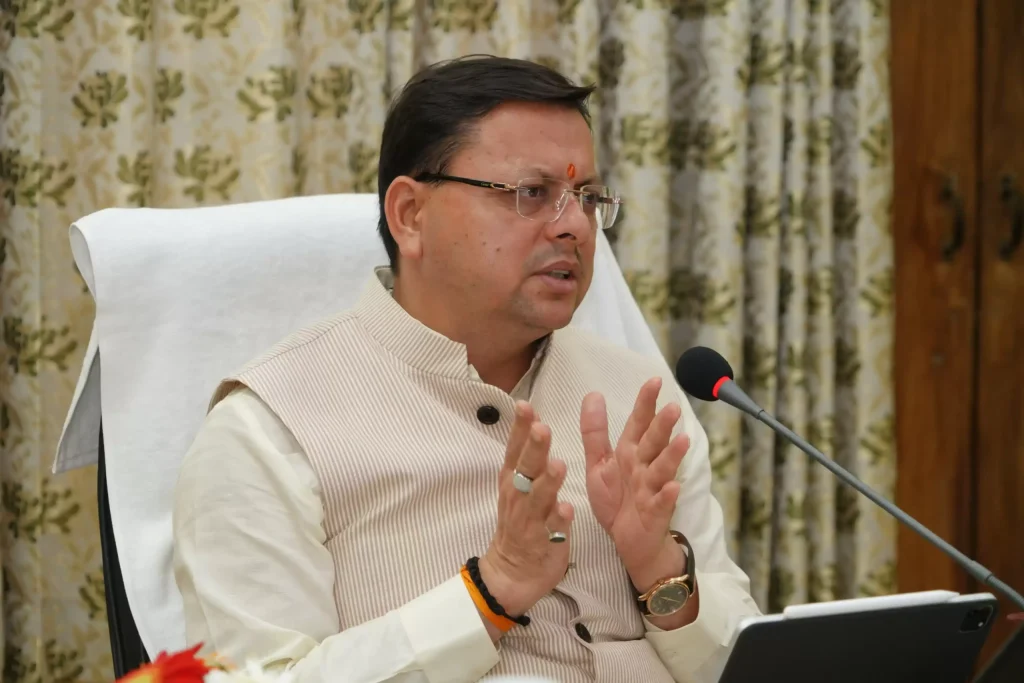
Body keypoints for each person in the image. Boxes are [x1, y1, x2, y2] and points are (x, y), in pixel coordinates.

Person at [172, 55, 759, 683]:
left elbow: (752, 663)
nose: (575, 227)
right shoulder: (267, 431)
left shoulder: (639, 400)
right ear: (410, 214)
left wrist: (662, 574)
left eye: (588, 199)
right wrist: (490, 591)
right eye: (532, 194)